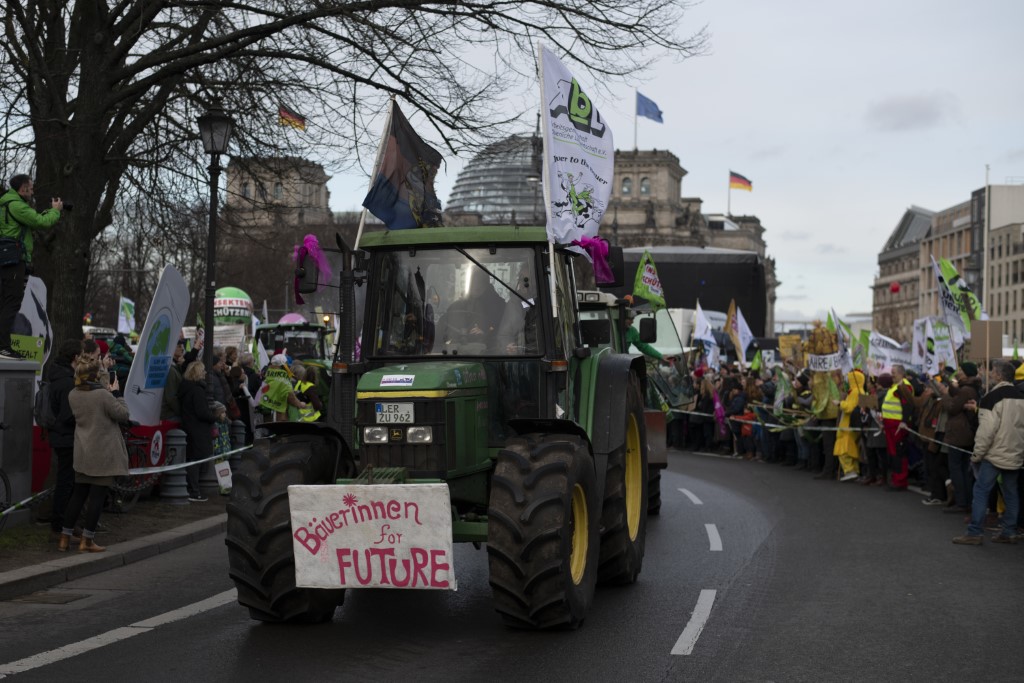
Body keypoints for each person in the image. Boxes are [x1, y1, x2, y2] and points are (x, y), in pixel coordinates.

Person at [56, 360, 130, 553]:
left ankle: (64, 537)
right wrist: (117, 393)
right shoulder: (102, 395)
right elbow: (123, 414)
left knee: (78, 495)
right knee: (97, 497)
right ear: (95, 376)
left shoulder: (73, 394)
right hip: (103, 452)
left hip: (83, 450)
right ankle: (87, 540)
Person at [952, 361, 1024, 545]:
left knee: (981, 491)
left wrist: (977, 454)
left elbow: (986, 432)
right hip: (1015, 451)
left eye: (991, 371)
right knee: (1011, 492)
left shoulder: (991, 397)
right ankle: (1009, 531)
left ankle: (974, 532)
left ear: (999, 375)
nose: (988, 374)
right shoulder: (1020, 396)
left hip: (994, 453)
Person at [0, 174, 62, 359]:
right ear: (22, 189)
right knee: (11, 303)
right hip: (13, 261)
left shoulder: (7, 203)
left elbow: (31, 221)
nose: (33, 191)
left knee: (5, 302)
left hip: (7, 260)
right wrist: (55, 211)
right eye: (31, 187)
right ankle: (3, 346)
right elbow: (42, 223)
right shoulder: (16, 205)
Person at [44, 339, 83, 538]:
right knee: (66, 482)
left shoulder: (55, 376)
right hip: (66, 436)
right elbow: (68, 415)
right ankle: (60, 524)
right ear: (75, 358)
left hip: (58, 435)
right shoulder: (68, 382)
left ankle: (60, 522)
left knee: (65, 480)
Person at [939, 362, 981, 514]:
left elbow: (952, 407)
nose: (959, 372)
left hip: (959, 434)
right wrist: (949, 383)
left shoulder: (966, 390)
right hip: (966, 433)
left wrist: (944, 395)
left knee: (957, 468)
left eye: (961, 370)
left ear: (968, 373)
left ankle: (962, 502)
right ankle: (966, 501)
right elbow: (957, 395)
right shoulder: (970, 387)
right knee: (964, 468)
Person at [178, 360, 217, 502]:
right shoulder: (197, 390)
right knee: (195, 461)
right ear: (198, 373)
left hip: (188, 426)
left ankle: (192, 489)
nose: (206, 373)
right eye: (203, 371)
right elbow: (202, 412)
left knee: (191, 459)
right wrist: (215, 417)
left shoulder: (185, 387)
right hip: (198, 429)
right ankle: (194, 491)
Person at [438, 271, 505, 346]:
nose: (476, 285)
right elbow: (443, 325)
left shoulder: (497, 306)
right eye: (473, 282)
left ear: (486, 284)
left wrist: (485, 333)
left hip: (487, 352)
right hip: (455, 351)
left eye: (480, 281)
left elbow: (502, 332)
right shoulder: (457, 305)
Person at [834, 368, 865, 482]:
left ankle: (849, 470)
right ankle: (854, 470)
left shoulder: (855, 392)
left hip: (847, 425)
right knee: (852, 450)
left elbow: (849, 407)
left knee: (843, 450)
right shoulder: (859, 391)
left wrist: (840, 403)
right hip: (851, 425)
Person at [259, 354, 308, 422]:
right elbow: (290, 396)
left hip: (267, 414)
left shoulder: (267, 375)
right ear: (283, 365)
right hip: (279, 417)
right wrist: (300, 404)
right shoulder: (282, 379)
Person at [160, 340, 186, 421]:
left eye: (182, 346)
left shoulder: (176, 366)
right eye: (179, 346)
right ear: (172, 348)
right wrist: (181, 411)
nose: (182, 349)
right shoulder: (170, 370)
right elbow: (171, 397)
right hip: (170, 414)